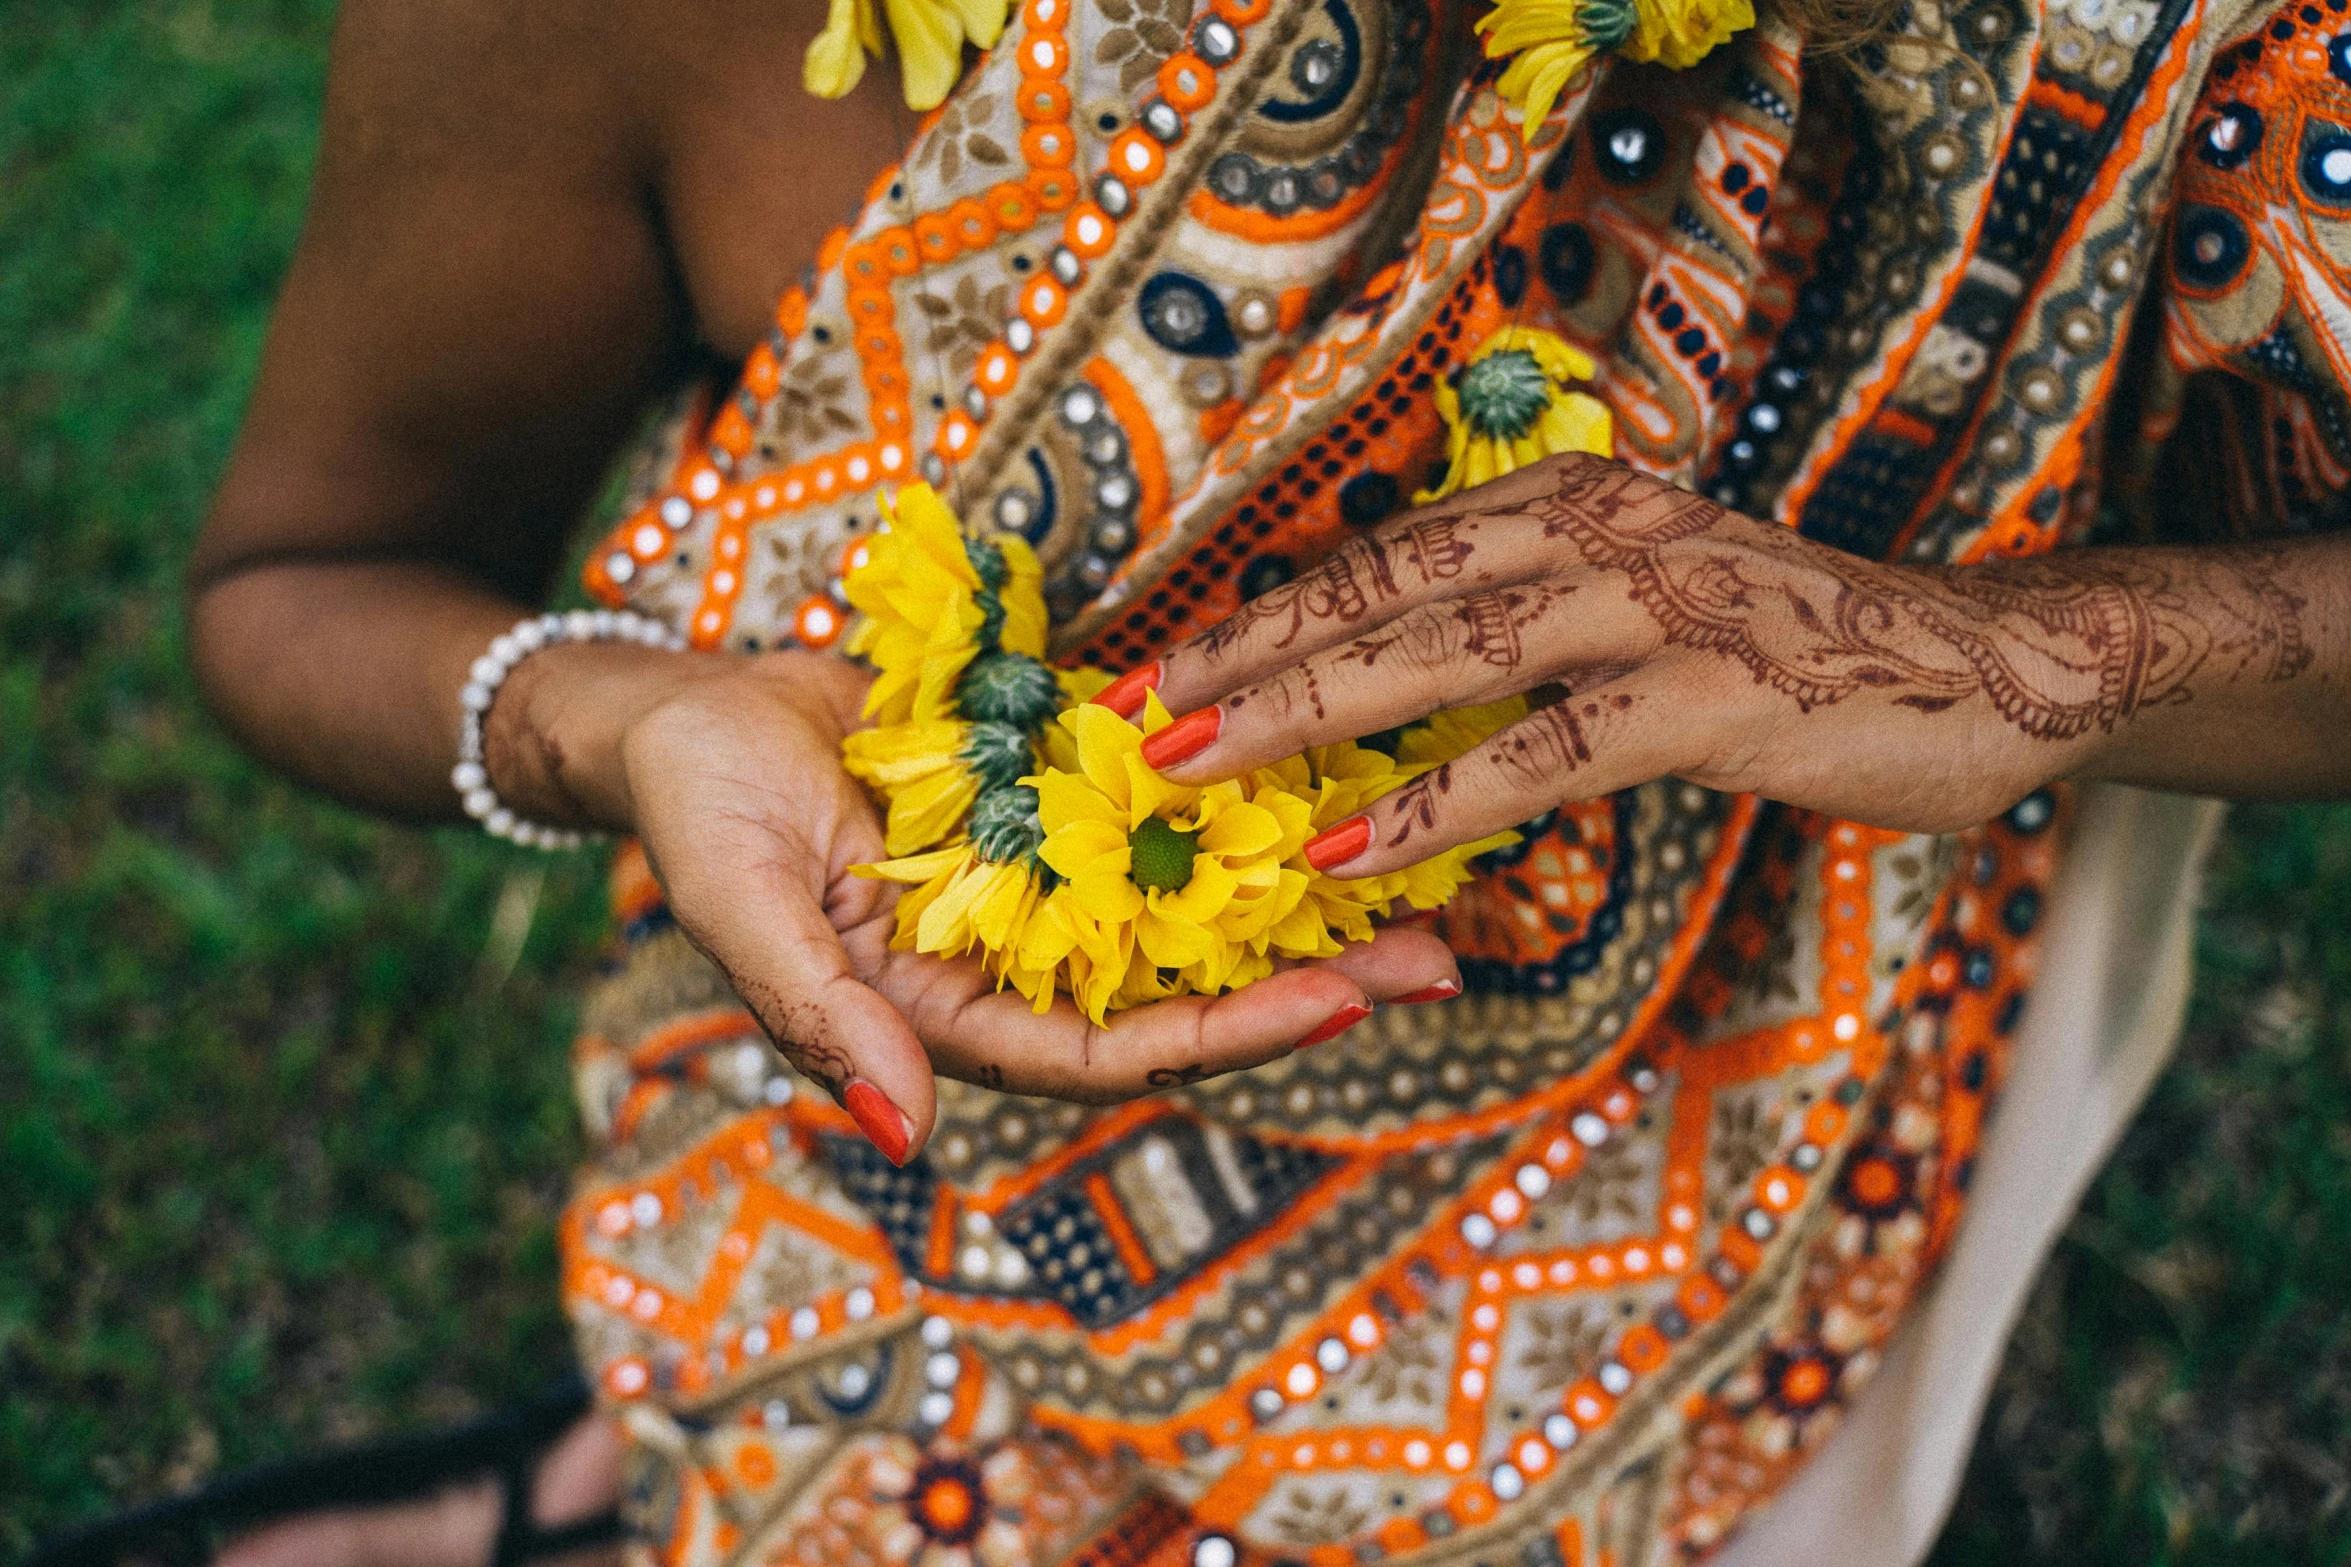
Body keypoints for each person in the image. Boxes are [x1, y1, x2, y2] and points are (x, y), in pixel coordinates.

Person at [171, 0, 2351, 1554]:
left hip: (1741, 1259)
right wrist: (629, 724)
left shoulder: (2181, 50)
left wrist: (2030, 657)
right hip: (864, 1199)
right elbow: (306, 579)